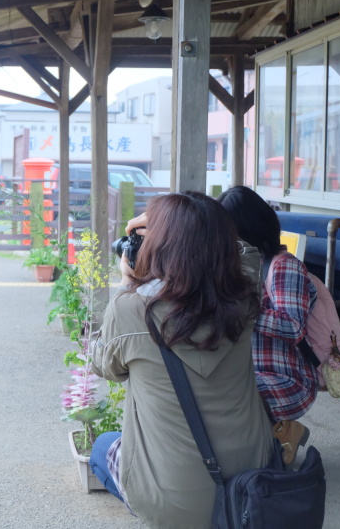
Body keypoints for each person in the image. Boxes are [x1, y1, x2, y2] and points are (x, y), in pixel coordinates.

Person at [89, 192, 275, 529]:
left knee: (102, 447)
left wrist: (128, 283)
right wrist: (203, 227)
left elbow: (103, 366)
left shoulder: (131, 310)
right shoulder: (244, 297)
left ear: (160, 247)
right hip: (252, 486)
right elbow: (249, 255)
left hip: (169, 505)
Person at [217, 186, 318, 465]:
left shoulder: (284, 267)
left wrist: (242, 309)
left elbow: (294, 327)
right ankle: (277, 437)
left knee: (233, 396)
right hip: (249, 373)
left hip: (287, 379)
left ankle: (282, 432)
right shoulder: (235, 266)